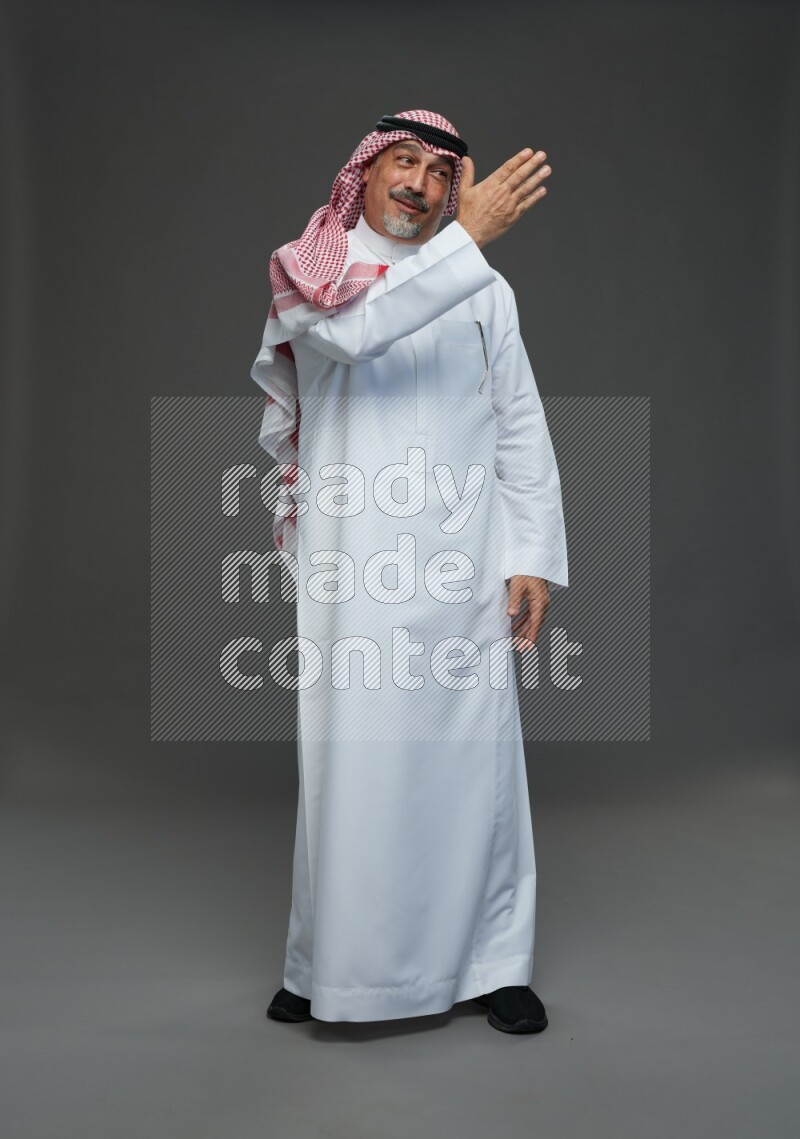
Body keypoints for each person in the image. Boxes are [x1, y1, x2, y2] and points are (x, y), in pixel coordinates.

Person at [250, 110, 568, 1034]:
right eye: (404, 161)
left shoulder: (485, 289)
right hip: (356, 566)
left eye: (439, 171)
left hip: (466, 563)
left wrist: (532, 555)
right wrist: (467, 240)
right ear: (367, 170)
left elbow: (518, 421)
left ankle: (494, 959)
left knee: (475, 764)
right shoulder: (312, 267)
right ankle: (323, 964)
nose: (420, 183)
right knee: (350, 765)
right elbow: (359, 336)